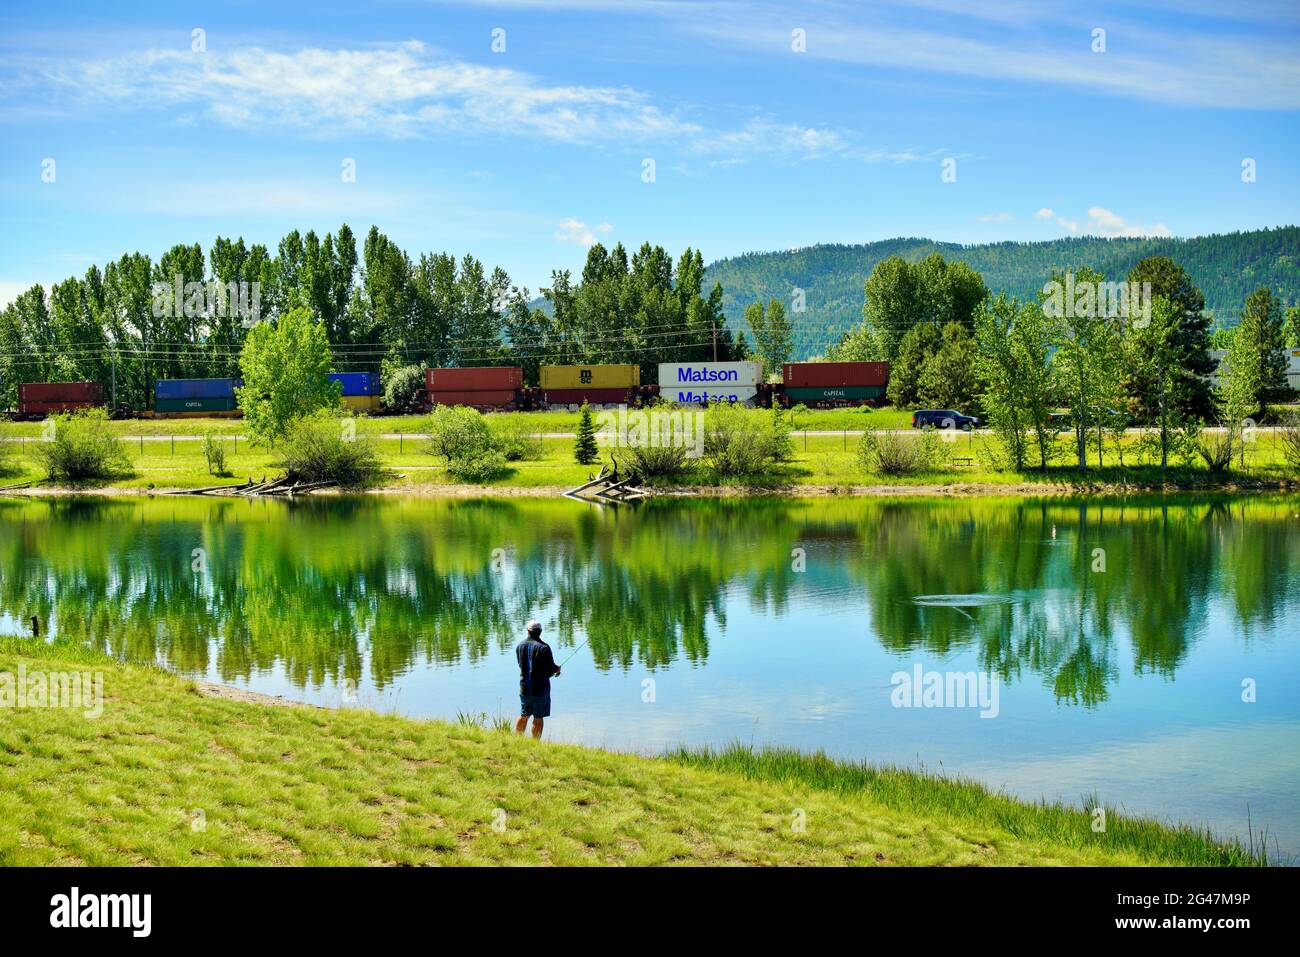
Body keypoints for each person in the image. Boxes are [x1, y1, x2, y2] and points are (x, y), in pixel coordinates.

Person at [515, 620, 560, 739]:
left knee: (524, 714)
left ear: (528, 631)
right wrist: (557, 669)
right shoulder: (544, 648)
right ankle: (535, 745)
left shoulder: (519, 646)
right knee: (538, 717)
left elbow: (521, 665)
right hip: (540, 689)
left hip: (524, 687)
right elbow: (550, 668)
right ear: (540, 632)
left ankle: (516, 740)